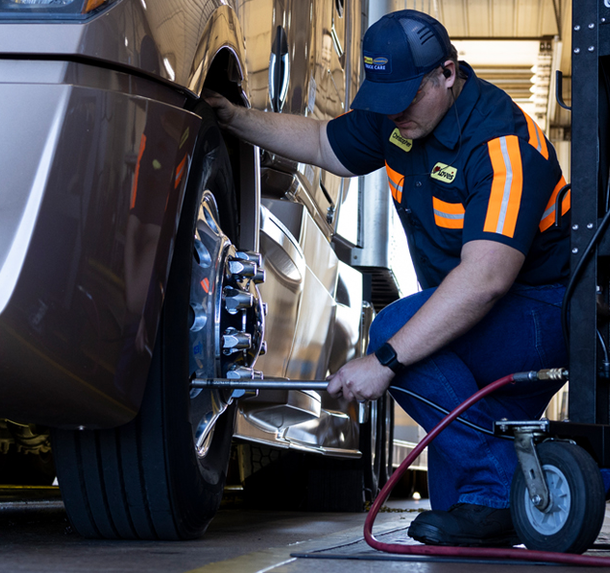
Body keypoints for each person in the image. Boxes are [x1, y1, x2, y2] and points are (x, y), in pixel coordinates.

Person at [205, 9, 570, 547]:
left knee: (393, 334)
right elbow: (324, 143)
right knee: (455, 508)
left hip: (540, 314)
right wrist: (235, 118)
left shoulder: (501, 143)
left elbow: (485, 281)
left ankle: (500, 488)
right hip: (485, 321)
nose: (394, 113)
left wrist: (385, 360)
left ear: (447, 73)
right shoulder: (400, 115)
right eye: (385, 98)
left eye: (406, 96)